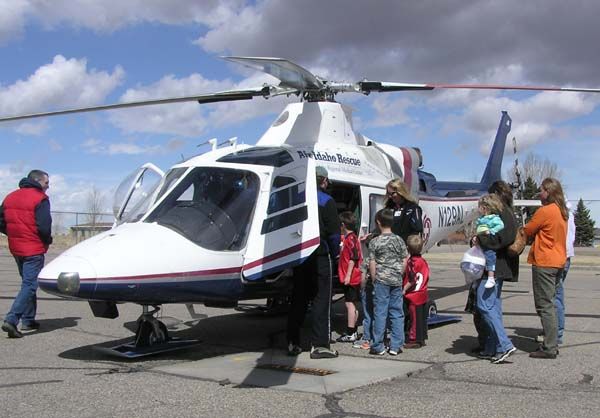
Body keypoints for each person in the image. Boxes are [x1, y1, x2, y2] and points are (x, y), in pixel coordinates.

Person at [286, 166, 340, 359]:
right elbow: (334, 234)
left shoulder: (297, 198)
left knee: (298, 298)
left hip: (300, 254)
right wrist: (335, 253)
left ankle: (293, 341)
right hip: (320, 253)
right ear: (323, 181)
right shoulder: (327, 201)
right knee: (321, 299)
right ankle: (320, 344)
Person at [1, 170, 52, 338]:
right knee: (30, 285)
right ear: (37, 181)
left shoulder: (10, 197)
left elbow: (1, 221)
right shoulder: (40, 198)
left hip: (16, 248)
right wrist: (47, 240)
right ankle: (12, 319)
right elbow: (44, 226)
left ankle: (29, 319)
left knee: (27, 283)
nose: (48, 186)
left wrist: (13, 234)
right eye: (46, 183)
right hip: (33, 249)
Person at [471, 180, 518, 364]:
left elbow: (501, 239)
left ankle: (504, 344)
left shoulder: (503, 214)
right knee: (493, 307)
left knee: (484, 304)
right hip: (497, 267)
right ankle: (494, 347)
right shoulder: (504, 213)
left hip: (495, 267)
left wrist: (480, 239)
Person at [524, 177, 568, 359]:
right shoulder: (561, 211)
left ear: (548, 192)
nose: (539, 193)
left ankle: (549, 347)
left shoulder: (546, 211)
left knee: (544, 305)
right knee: (553, 302)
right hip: (558, 261)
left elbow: (528, 230)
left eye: (541, 190)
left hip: (545, 262)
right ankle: (554, 340)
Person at [368, 208, 409, 356]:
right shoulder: (399, 240)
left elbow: (372, 262)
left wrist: (374, 278)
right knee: (397, 312)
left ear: (378, 222)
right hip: (396, 279)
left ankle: (378, 345)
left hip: (381, 280)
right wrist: (400, 272)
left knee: (380, 312)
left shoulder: (374, 241)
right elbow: (405, 259)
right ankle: (396, 345)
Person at [536, 199, 576, 346]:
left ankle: (555, 335)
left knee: (550, 298)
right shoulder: (568, 214)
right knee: (556, 296)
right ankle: (555, 331)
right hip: (566, 256)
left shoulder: (556, 213)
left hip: (556, 257)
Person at [336, 211, 363, 343]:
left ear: (343, 225)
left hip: (351, 278)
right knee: (353, 305)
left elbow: (353, 258)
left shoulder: (350, 239)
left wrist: (347, 276)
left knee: (349, 305)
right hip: (352, 277)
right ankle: (354, 329)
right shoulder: (350, 238)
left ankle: (350, 332)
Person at [402, 234, 429, 349]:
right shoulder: (423, 261)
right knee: (420, 318)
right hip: (422, 293)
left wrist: (404, 289)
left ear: (408, 248)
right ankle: (421, 337)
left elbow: (412, 279)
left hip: (414, 295)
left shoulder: (412, 262)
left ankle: (414, 340)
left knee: (414, 319)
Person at [476, 194, 505, 289]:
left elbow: (500, 225)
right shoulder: (481, 219)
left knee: (490, 257)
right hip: (480, 243)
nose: (478, 209)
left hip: (487, 244)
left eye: (479, 207)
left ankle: (491, 277)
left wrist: (491, 231)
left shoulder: (493, 218)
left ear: (484, 208)